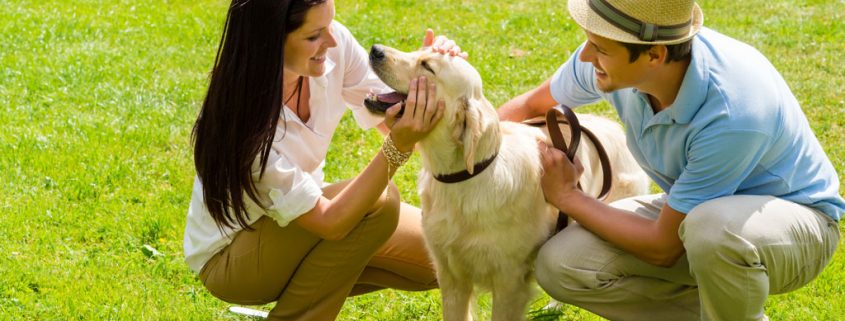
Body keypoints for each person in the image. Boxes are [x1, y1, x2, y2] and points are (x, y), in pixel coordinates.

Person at [498, 0, 844, 320]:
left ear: (655, 56)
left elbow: (662, 248)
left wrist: (568, 197)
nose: (586, 56)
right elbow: (529, 107)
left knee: (711, 230)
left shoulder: (732, 111)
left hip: (798, 225)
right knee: (561, 264)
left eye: (600, 48)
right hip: (696, 210)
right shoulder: (617, 50)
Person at [183, 0, 465, 319]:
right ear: (270, 41)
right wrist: (395, 149)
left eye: (329, 26)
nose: (331, 41)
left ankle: (306, 300)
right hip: (233, 258)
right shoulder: (244, 126)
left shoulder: (334, 44)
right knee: (378, 203)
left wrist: (426, 75)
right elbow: (329, 222)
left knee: (447, 257)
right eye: (314, 35)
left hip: (299, 220)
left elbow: (393, 119)